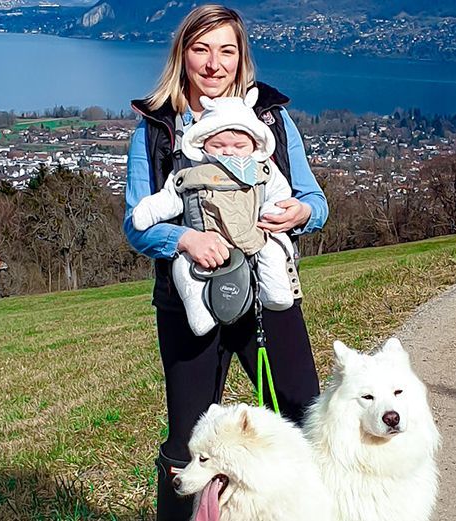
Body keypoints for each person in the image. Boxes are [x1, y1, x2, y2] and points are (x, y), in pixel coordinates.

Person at [122, 5, 328, 520]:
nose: (214, 64)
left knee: (303, 414)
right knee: (189, 439)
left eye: (227, 51)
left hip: (267, 295)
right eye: (201, 49)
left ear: (241, 59)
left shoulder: (270, 122)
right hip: (189, 297)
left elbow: (315, 201)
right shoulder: (156, 131)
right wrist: (184, 239)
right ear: (182, 54)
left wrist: (300, 211)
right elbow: (135, 223)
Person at [130, 89, 300, 336]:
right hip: (206, 246)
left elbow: (280, 193)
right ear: (203, 143)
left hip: (254, 235)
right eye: (218, 145)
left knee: (273, 250)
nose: (228, 151)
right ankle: (199, 311)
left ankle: (275, 293)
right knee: (184, 266)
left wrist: (282, 213)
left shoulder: (262, 170)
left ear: (254, 144)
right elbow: (171, 197)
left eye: (239, 145)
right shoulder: (192, 173)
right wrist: (154, 215)